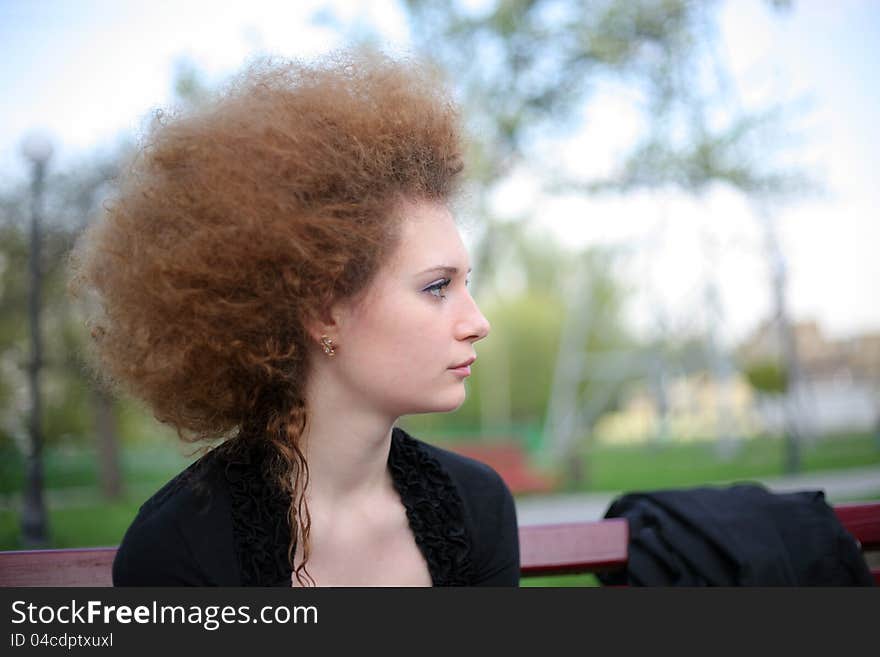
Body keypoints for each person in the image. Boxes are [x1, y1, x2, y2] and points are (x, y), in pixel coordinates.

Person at [68, 48, 520, 587]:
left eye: (465, 283)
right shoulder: (178, 550)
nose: (477, 322)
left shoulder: (478, 506)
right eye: (437, 287)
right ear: (323, 312)